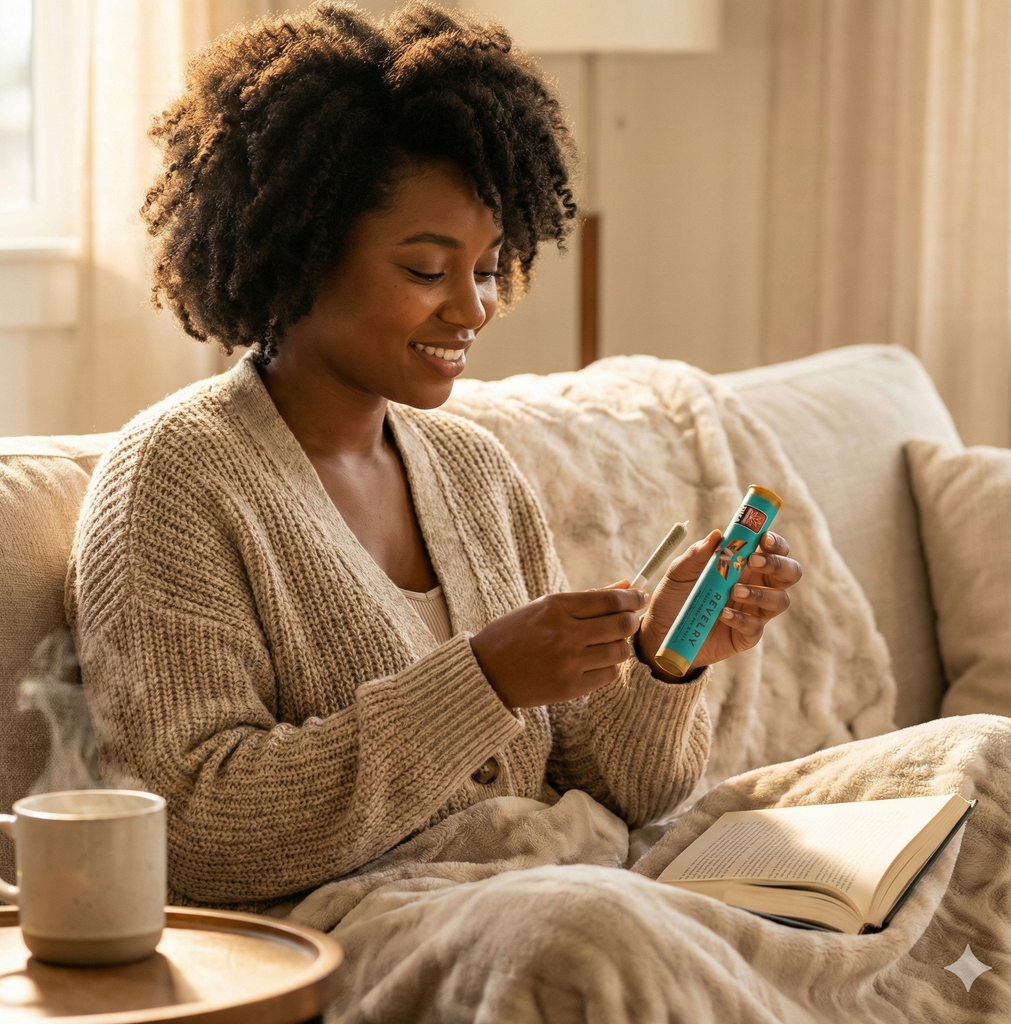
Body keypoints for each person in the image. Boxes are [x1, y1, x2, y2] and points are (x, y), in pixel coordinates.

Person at [66, 0, 801, 910]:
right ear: (298, 252)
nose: (475, 308)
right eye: (427, 270)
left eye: (489, 267)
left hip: (572, 885)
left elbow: (612, 787)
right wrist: (481, 680)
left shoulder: (473, 469)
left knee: (987, 764)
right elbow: (192, 831)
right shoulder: (176, 477)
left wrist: (661, 655)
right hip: (384, 927)